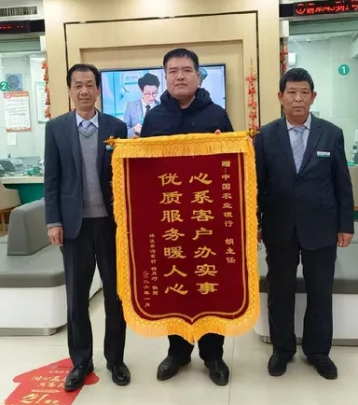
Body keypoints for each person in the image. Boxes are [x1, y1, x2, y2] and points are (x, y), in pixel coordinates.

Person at [140, 48, 234, 386]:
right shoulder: (154, 119)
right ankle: (178, 352)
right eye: (173, 70)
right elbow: (141, 173)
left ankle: (213, 354)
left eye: (186, 70)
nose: (180, 76)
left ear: (197, 75)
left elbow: (233, 168)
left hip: (207, 222)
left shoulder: (217, 115)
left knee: (210, 287)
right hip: (169, 223)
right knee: (174, 287)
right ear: (165, 76)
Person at [254, 68, 354, 380]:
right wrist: (254, 221)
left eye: (304, 92)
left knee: (320, 291)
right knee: (280, 291)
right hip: (279, 226)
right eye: (292, 92)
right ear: (280, 97)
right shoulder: (265, 136)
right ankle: (281, 350)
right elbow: (256, 184)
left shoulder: (331, 133)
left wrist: (346, 224)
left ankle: (318, 352)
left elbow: (342, 183)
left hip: (321, 226)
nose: (298, 98)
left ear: (313, 97)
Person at [44, 63, 130, 391]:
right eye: (77, 85)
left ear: (98, 90)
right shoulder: (56, 128)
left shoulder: (116, 127)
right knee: (76, 298)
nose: (84, 91)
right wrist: (54, 221)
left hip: (111, 226)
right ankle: (81, 361)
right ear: (69, 90)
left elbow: (125, 177)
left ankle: (116, 359)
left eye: (89, 84)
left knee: (115, 296)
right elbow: (51, 179)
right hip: (74, 227)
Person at [123, 72, 161, 138]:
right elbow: (123, 132)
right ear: (141, 90)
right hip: (137, 143)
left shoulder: (162, 106)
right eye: (147, 93)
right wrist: (134, 130)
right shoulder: (131, 106)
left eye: (154, 93)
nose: (151, 96)